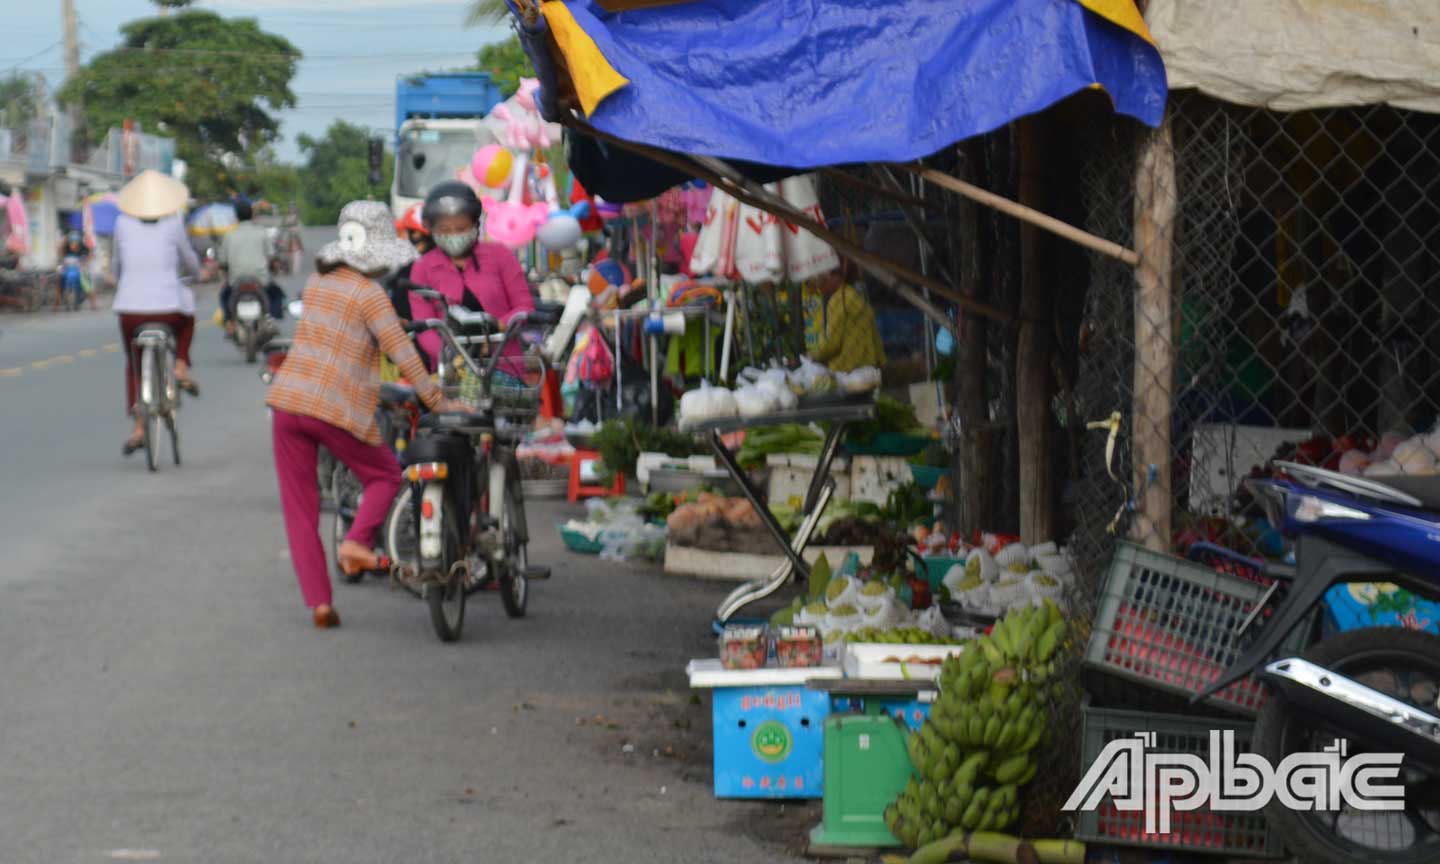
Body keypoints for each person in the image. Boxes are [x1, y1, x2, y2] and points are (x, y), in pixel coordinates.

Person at [265, 201, 465, 630]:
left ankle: (319, 604)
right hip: (333, 409)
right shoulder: (370, 295)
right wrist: (437, 400)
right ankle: (355, 542)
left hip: (288, 404)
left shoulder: (318, 281)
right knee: (386, 476)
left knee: (301, 511)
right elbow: (404, 355)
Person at [112, 170, 202, 456]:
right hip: (169, 309)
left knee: (134, 364)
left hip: (130, 310)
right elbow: (189, 260)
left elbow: (117, 266)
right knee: (188, 319)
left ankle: (139, 427)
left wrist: (121, 279)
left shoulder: (121, 224)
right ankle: (180, 365)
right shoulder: (174, 224)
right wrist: (197, 274)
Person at [402, 181, 534, 371]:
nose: (454, 235)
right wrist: (456, 356)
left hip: (505, 365)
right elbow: (425, 328)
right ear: (432, 231)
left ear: (475, 225)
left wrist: (501, 326)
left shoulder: (500, 255)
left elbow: (524, 306)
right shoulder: (422, 268)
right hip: (452, 372)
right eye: (445, 230)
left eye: (461, 228)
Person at [217, 199, 286, 336]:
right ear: (252, 215)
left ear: (236, 217)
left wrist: (226, 272)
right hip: (260, 279)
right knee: (277, 294)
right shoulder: (261, 232)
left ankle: (229, 321)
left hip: (236, 280)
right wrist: (275, 266)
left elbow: (222, 262)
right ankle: (270, 319)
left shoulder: (229, 235)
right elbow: (272, 256)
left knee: (224, 296)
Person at [808, 265, 886, 373]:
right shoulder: (858, 297)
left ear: (834, 277)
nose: (819, 287)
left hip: (845, 369)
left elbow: (832, 343)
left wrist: (811, 357)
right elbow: (875, 336)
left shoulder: (839, 301)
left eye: (821, 281)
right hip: (868, 367)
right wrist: (881, 362)